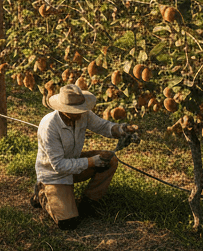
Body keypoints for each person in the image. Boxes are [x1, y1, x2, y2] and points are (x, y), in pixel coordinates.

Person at [31, 84, 138, 229]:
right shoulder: (49, 126)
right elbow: (59, 166)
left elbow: (103, 126)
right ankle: (42, 193)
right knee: (68, 223)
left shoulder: (83, 114)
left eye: (81, 109)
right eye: (74, 111)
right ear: (63, 109)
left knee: (110, 161)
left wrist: (122, 130)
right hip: (53, 174)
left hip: (74, 163)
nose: (80, 113)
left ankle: (88, 202)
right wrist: (92, 162)